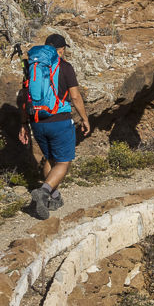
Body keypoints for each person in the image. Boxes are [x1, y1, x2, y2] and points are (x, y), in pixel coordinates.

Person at [18, 34, 90, 220]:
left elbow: (26, 98)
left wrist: (24, 123)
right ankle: (43, 192)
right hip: (59, 120)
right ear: (61, 49)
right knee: (63, 162)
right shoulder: (64, 67)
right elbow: (75, 96)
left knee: (49, 158)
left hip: (37, 121)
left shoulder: (33, 67)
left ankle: (53, 197)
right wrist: (84, 118)